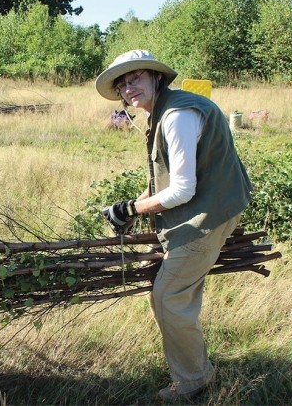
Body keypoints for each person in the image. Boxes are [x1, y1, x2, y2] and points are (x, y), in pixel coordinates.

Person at [96, 50, 252, 402]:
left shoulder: (177, 115)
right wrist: (131, 210)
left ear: (155, 77)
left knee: (169, 297)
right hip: (209, 206)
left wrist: (131, 207)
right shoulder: (162, 111)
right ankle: (194, 368)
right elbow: (163, 177)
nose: (127, 88)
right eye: (122, 84)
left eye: (134, 78)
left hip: (207, 216)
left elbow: (183, 189)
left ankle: (195, 382)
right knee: (170, 294)